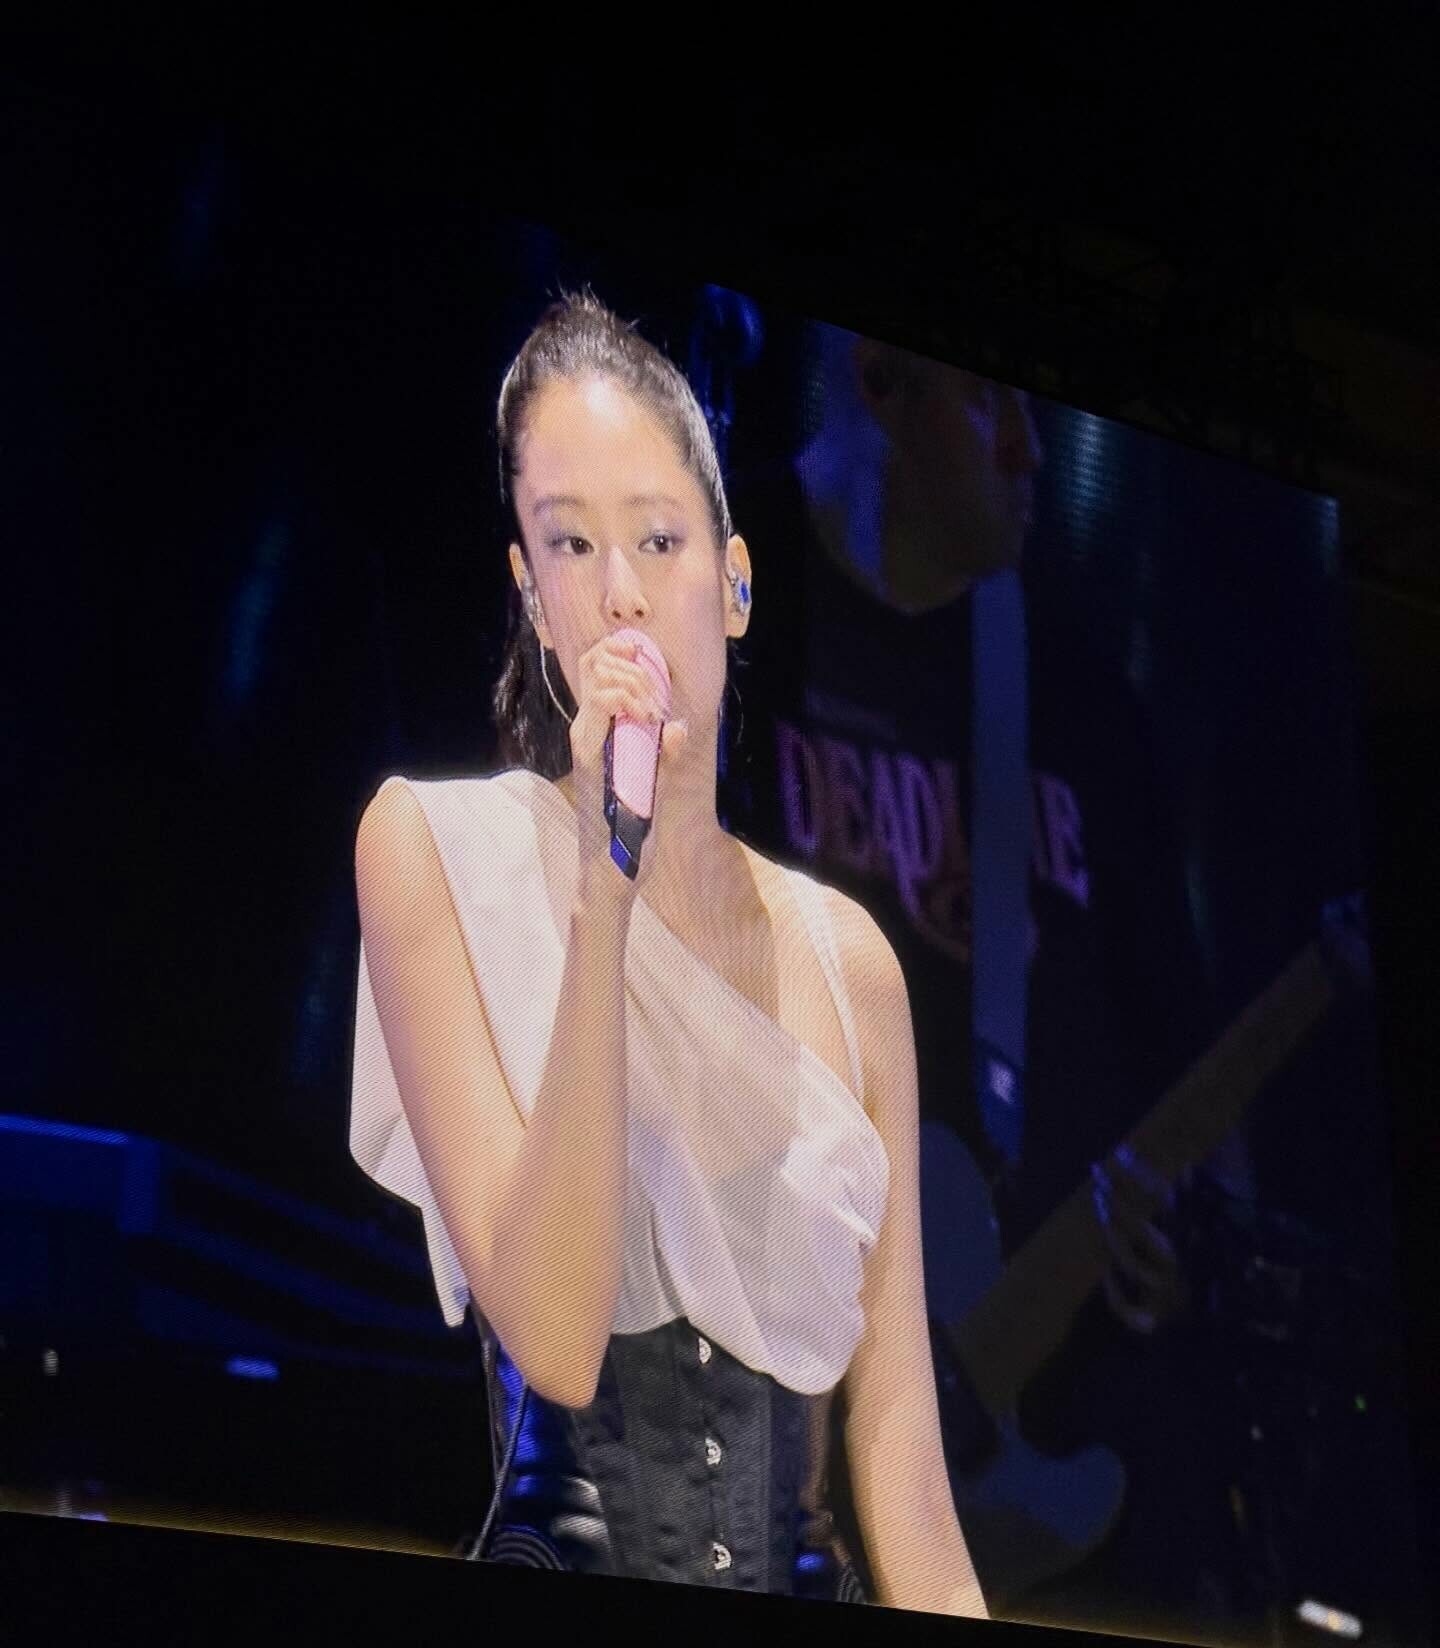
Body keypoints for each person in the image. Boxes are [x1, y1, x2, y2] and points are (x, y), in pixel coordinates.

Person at [347, 290, 990, 1615]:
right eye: (570, 545)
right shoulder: (436, 855)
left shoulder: (852, 963)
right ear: (531, 595)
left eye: (657, 537)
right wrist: (604, 889)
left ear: (735, 579)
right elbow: (556, 1335)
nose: (623, 596)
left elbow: (904, 1473)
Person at [721, 325, 1251, 1632]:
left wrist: (1184, 1247)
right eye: (988, 402)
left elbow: (1182, 1051)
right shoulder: (720, 618)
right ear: (878, 382)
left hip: (1031, 1436)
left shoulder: (1078, 696)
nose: (1032, 452)